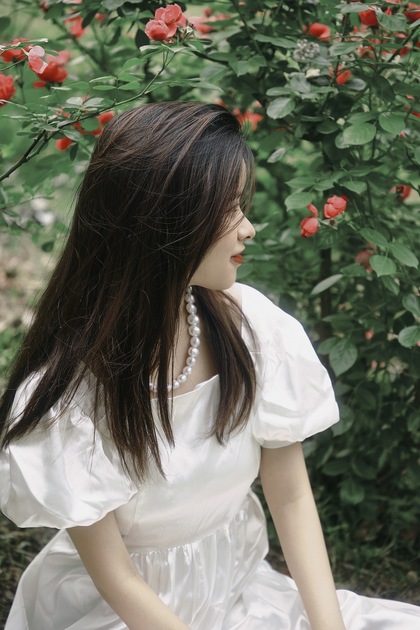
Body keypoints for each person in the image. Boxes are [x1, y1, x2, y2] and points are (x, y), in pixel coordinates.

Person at [0, 102, 418, 630]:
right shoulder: (72, 395)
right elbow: (118, 580)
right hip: (124, 613)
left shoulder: (250, 327)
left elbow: (290, 496)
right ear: (161, 222)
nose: (249, 229)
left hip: (234, 587)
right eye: (228, 209)